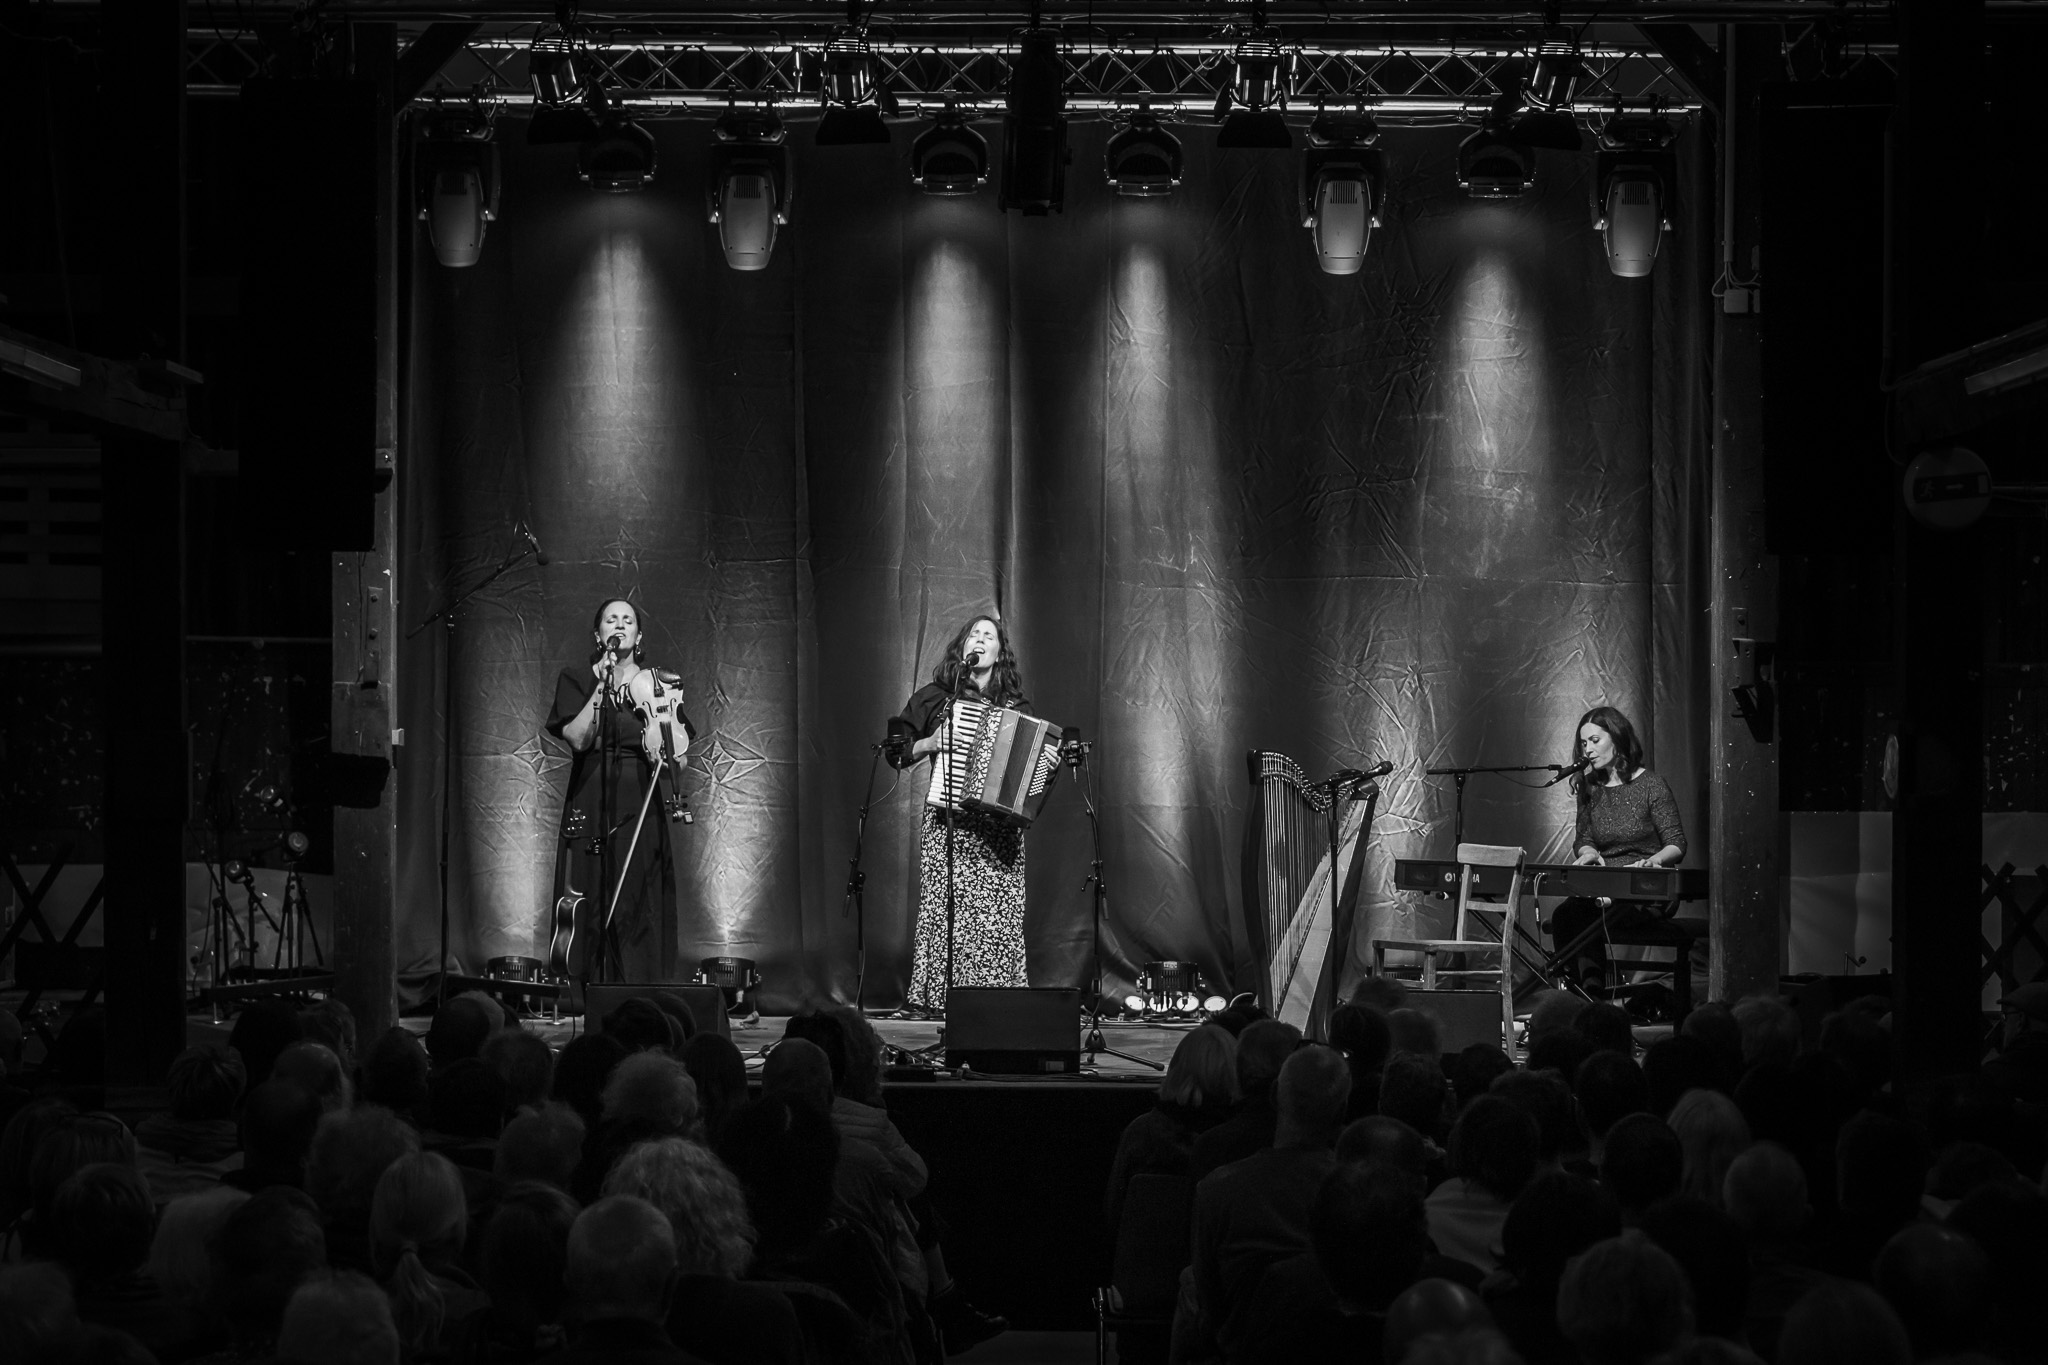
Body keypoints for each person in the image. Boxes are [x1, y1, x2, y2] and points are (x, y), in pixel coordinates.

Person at [887, 613, 1034, 1012]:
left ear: (1000, 652)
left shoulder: (1017, 706)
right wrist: (930, 743)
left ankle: (997, 1001)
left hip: (998, 833)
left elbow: (1030, 763)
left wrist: (1044, 763)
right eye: (974, 634)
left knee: (997, 919)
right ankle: (939, 997)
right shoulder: (937, 697)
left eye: (990, 636)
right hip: (949, 824)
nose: (981, 640)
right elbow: (895, 750)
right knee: (945, 913)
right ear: (963, 647)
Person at [545, 598, 695, 986]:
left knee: (639, 898)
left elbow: (679, 759)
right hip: (590, 801)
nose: (620, 624)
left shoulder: (658, 686)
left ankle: (640, 992)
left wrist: (669, 755)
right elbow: (579, 739)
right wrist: (603, 682)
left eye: (628, 620)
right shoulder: (577, 678)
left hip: (640, 803)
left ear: (639, 636)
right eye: (611, 619)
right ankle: (591, 990)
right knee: (591, 896)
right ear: (599, 635)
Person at [1549, 706, 1688, 996]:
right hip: (1604, 887)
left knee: (1585, 914)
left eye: (1595, 740)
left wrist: (1653, 862)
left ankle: (1592, 994)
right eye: (1583, 743)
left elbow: (1676, 843)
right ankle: (1582, 992)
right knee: (1565, 914)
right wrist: (1588, 852)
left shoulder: (1651, 784)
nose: (1588, 750)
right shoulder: (1590, 787)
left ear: (1617, 738)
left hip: (1644, 889)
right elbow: (1584, 838)